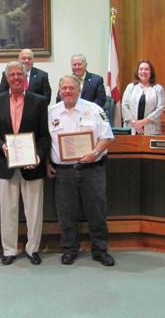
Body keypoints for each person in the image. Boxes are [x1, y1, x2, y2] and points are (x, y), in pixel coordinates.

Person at [0, 61, 50, 265]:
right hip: (5, 165)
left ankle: (33, 249)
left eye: (19, 74)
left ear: (25, 77)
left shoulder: (39, 102)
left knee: (34, 210)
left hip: (33, 165)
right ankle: (9, 250)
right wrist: (1, 146)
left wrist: (39, 155)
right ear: (6, 78)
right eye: (12, 74)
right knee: (8, 210)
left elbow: (44, 136)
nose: (15, 78)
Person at [48, 75, 115, 266]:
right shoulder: (51, 112)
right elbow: (45, 141)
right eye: (64, 88)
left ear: (79, 89)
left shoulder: (94, 110)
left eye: (71, 88)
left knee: (97, 211)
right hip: (63, 172)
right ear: (59, 91)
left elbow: (107, 137)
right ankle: (70, 249)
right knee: (66, 212)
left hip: (92, 168)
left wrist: (94, 153)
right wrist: (47, 163)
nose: (67, 91)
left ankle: (100, 250)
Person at [121, 59, 165, 135]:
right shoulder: (130, 87)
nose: (143, 71)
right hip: (132, 129)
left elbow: (159, 109)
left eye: (146, 69)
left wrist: (142, 122)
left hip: (151, 131)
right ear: (137, 72)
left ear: (151, 72)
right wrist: (135, 124)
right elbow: (124, 106)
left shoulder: (158, 89)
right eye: (141, 69)